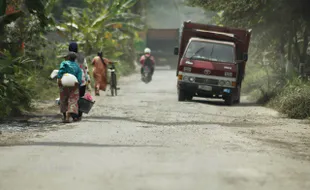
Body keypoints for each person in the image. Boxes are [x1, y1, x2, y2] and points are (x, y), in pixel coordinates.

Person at [57, 51, 82, 123]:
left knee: (63, 98)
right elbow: (79, 76)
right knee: (73, 99)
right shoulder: (77, 66)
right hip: (74, 83)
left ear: (68, 57)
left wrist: (59, 79)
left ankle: (65, 116)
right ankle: (69, 113)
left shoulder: (64, 63)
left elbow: (61, 71)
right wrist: (78, 83)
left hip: (64, 82)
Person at [68, 42, 91, 121]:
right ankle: (79, 114)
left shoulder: (67, 56)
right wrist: (88, 80)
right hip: (82, 80)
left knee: (71, 97)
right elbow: (86, 68)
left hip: (69, 79)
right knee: (80, 97)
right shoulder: (81, 57)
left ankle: (73, 114)